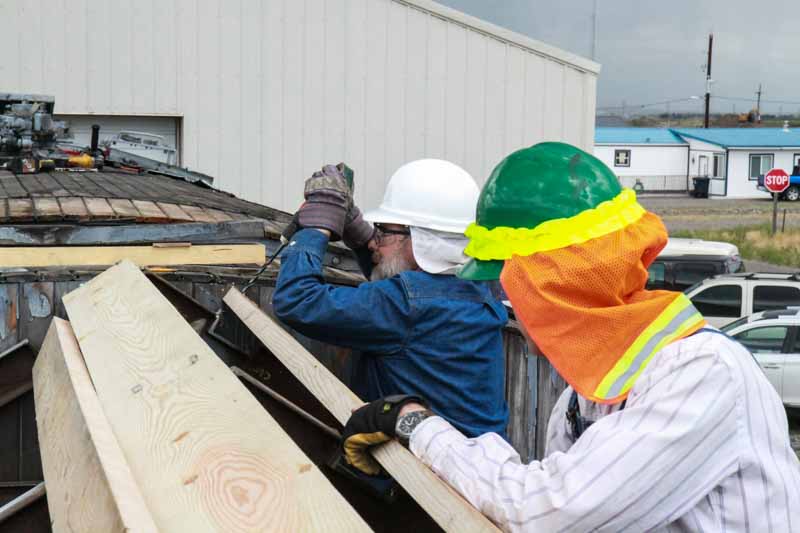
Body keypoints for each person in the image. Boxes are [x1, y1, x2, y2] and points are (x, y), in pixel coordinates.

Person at [342, 143, 800, 531]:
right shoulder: (584, 397)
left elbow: (546, 513)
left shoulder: (701, 375)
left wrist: (416, 425)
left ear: (556, 287)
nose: (509, 308)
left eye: (511, 286)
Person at [272, 160, 509, 444]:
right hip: (473, 466)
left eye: (382, 231)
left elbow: (297, 299)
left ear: (418, 238)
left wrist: (316, 228)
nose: (375, 242)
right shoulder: (477, 287)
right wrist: (357, 232)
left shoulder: (407, 303)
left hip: (419, 478)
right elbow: (395, 276)